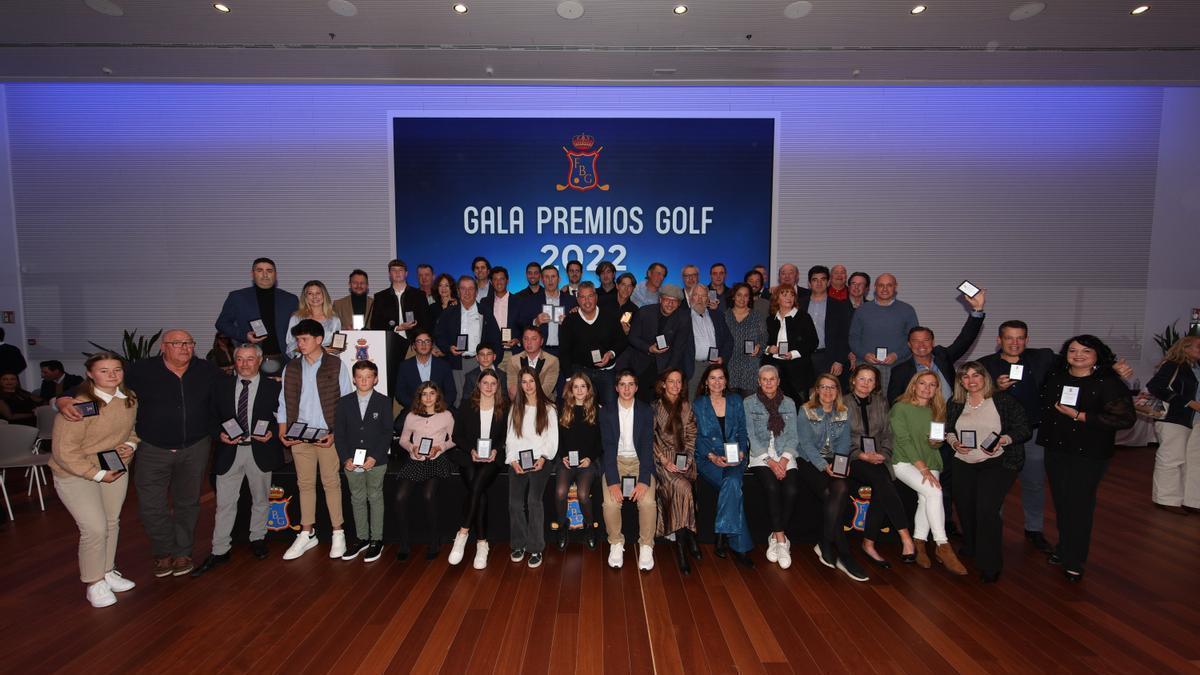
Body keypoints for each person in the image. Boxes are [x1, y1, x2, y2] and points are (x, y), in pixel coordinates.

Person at [57, 329, 222, 578]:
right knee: (151, 506)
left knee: (188, 503)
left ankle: (183, 552)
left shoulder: (207, 370)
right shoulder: (140, 370)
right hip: (152, 448)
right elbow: (99, 382)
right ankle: (162, 553)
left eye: (188, 343)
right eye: (176, 343)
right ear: (163, 347)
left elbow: (229, 390)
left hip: (195, 448)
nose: (184, 347)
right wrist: (64, 398)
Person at [1039, 335, 1136, 581]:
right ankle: (1063, 549)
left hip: (1089, 454)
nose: (1078, 355)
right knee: (1062, 503)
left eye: (1086, 351)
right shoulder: (1056, 377)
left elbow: (1125, 419)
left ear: (1097, 355)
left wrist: (1080, 416)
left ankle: (1075, 561)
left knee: (1080, 507)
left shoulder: (1108, 382)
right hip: (1056, 450)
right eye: (1073, 350)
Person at [49, 352, 138, 608]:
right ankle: (94, 581)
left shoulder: (129, 399)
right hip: (75, 472)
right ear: (90, 374)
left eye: (117, 370)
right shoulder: (79, 406)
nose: (112, 375)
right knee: (95, 528)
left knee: (111, 522)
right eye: (104, 370)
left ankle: (108, 570)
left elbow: (131, 431)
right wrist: (97, 474)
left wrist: (130, 445)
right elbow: (64, 452)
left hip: (113, 467)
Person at [192, 344, 284, 577]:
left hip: (259, 451)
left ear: (259, 360)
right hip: (229, 451)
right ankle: (220, 549)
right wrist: (218, 434)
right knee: (224, 503)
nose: (244, 364)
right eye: (240, 359)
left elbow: (283, 416)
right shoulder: (220, 386)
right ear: (235, 361)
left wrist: (272, 431)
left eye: (250, 359)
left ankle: (258, 538)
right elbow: (209, 417)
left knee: (261, 499)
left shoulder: (273, 388)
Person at [978, 320, 1061, 551]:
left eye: (1020, 338)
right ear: (999, 340)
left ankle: (1034, 529)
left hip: (1033, 432)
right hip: (999, 434)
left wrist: (1108, 369)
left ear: (1027, 339)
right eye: (1009, 338)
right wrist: (994, 388)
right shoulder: (985, 365)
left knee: (1034, 483)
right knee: (997, 484)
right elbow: (970, 395)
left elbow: (1078, 362)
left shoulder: (1042, 358)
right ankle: (994, 530)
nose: (1015, 343)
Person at [945, 361, 1030, 582]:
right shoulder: (955, 402)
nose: (971, 380)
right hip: (963, 461)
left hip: (997, 462)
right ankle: (972, 545)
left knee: (986, 509)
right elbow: (948, 430)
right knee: (965, 507)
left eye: (976, 375)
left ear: (985, 377)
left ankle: (990, 563)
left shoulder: (1002, 400)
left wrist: (1004, 439)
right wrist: (955, 444)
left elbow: (1023, 428)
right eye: (965, 377)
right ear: (960, 381)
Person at [277, 319, 354, 562]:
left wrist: (336, 433)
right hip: (299, 434)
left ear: (319, 340)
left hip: (326, 435)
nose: (300, 344)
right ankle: (306, 533)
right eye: (298, 339)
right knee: (305, 484)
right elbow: (282, 401)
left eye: (304, 339)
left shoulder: (335, 365)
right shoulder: (291, 367)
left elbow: (346, 402)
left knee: (331, 483)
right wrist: (282, 430)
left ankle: (338, 532)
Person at [889, 371, 967, 575]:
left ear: (936, 390)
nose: (926, 388)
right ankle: (943, 545)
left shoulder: (937, 410)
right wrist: (923, 469)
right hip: (905, 462)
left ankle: (920, 543)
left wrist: (936, 442)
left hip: (930, 460)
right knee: (935, 492)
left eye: (932, 385)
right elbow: (903, 442)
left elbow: (936, 442)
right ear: (914, 385)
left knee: (926, 499)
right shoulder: (900, 408)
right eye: (922, 383)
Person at [796, 374, 870, 582]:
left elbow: (844, 444)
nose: (828, 392)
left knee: (840, 489)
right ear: (817, 390)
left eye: (832, 387)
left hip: (833, 460)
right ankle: (843, 553)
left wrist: (841, 464)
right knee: (831, 492)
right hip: (809, 461)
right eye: (823, 387)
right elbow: (806, 445)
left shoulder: (842, 412)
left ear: (838, 391)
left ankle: (826, 542)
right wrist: (823, 467)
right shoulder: (805, 410)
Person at [843, 364, 916, 568]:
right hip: (854, 457)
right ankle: (906, 537)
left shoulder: (881, 402)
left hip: (880, 457)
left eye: (871, 380)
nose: (866, 383)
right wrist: (862, 455)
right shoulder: (843, 402)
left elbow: (887, 434)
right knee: (881, 480)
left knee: (881, 484)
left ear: (876, 383)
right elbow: (840, 438)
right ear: (853, 380)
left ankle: (869, 543)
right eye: (862, 379)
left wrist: (883, 454)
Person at [692, 364, 754, 567]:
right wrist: (711, 457)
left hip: (735, 456)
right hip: (708, 459)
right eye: (712, 378)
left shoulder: (736, 400)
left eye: (721, 378)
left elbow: (743, 430)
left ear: (726, 381)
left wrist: (743, 449)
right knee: (733, 486)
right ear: (706, 382)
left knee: (732, 481)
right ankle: (740, 547)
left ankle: (721, 533)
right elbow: (697, 438)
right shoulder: (699, 404)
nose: (717, 382)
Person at [333, 361, 391, 564]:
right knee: (356, 497)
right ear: (354, 379)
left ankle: (377, 539)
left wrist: (374, 456)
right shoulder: (344, 402)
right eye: (360, 376)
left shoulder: (383, 402)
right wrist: (345, 458)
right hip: (351, 461)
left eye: (368, 377)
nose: (364, 380)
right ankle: (362, 538)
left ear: (376, 379)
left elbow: (386, 433)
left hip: (376, 460)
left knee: (374, 496)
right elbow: (339, 434)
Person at [448, 370, 508, 569]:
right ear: (478, 385)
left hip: (492, 458)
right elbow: (457, 436)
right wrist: (471, 450)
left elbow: (505, 436)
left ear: (498, 386)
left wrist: (496, 450)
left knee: (476, 487)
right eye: (485, 383)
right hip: (469, 457)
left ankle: (462, 533)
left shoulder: (504, 407)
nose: (489, 387)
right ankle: (482, 544)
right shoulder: (466, 405)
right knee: (479, 492)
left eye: (493, 383)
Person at [886, 288, 987, 405]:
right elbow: (894, 402)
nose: (921, 345)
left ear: (932, 342)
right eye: (916, 341)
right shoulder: (900, 370)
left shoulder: (943, 357)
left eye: (926, 340)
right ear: (909, 344)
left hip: (950, 417)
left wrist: (977, 309)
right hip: (919, 420)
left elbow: (965, 339)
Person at [599, 369, 657, 571]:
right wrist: (613, 482)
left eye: (630, 384)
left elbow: (648, 447)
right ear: (616, 388)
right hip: (616, 462)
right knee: (610, 503)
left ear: (637, 387)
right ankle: (616, 542)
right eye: (622, 384)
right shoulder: (606, 412)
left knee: (648, 502)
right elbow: (607, 448)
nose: (626, 388)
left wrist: (643, 480)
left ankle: (646, 545)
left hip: (640, 462)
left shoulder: (645, 410)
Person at [744, 364, 801, 568]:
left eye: (772, 379)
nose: (768, 383)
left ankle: (775, 534)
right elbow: (750, 435)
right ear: (759, 382)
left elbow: (794, 436)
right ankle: (781, 541)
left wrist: (783, 460)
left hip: (785, 453)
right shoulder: (749, 403)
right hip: (761, 455)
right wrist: (770, 461)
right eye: (764, 379)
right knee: (771, 487)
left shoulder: (789, 403)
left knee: (792, 490)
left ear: (778, 381)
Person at [395, 381, 456, 560]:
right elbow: (403, 439)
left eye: (432, 393)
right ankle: (404, 542)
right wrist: (412, 447)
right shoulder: (411, 416)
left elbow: (454, 439)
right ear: (419, 397)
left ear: (437, 396)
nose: (428, 397)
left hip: (436, 460)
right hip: (415, 461)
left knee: (429, 495)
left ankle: (434, 540)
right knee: (400, 497)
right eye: (424, 394)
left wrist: (440, 448)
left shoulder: (446, 415)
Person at [506, 367, 559, 569]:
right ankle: (518, 544)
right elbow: (510, 439)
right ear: (520, 385)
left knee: (533, 500)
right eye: (524, 382)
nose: (528, 386)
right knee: (515, 503)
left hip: (540, 460)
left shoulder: (549, 408)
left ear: (537, 382)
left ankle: (536, 547)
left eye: (531, 381)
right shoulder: (515, 408)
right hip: (518, 461)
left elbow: (552, 439)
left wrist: (544, 458)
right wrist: (512, 461)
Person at [651, 369, 700, 574]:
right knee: (684, 489)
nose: (675, 385)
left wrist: (687, 460)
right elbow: (650, 439)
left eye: (679, 382)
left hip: (685, 461)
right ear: (663, 384)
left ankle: (688, 537)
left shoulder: (687, 407)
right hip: (663, 462)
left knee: (687, 485)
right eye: (671, 381)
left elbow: (691, 437)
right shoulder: (654, 408)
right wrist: (664, 460)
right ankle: (682, 546)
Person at [1147, 335, 1200, 514]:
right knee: (1171, 458)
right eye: (1198, 346)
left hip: (1193, 421)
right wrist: (1188, 403)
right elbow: (1155, 386)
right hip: (1174, 418)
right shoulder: (1173, 365)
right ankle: (1165, 499)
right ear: (1185, 348)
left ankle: (1191, 500)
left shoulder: (1195, 367)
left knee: (1193, 462)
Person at [215, 258, 300, 370]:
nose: (265, 274)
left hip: (285, 360)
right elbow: (221, 323)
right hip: (250, 361)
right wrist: (245, 335)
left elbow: (299, 329)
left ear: (276, 274)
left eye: (269, 271)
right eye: (260, 270)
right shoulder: (237, 297)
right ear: (252, 274)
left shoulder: (290, 299)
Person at [553, 373, 603, 550]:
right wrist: (562, 456)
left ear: (589, 389)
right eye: (576, 387)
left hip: (588, 463)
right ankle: (562, 525)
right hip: (567, 461)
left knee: (582, 494)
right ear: (570, 390)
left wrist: (590, 458)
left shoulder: (596, 410)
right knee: (560, 492)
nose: (580, 390)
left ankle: (589, 526)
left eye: (583, 386)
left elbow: (600, 442)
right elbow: (556, 439)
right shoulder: (563, 409)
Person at [435, 275, 501, 405]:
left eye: (471, 289)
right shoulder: (449, 312)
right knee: (458, 400)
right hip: (456, 363)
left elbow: (495, 338)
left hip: (479, 363)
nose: (467, 292)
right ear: (458, 291)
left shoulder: (485, 312)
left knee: (480, 399)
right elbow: (439, 335)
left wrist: (493, 362)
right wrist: (448, 348)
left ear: (476, 292)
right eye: (463, 289)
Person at [848, 273, 918, 393]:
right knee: (865, 406)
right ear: (875, 287)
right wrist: (864, 354)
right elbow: (853, 338)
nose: (885, 289)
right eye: (881, 285)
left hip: (897, 366)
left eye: (889, 285)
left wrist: (897, 355)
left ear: (895, 287)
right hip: (866, 367)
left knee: (893, 405)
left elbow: (914, 340)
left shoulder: (907, 310)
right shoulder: (862, 310)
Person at [560, 282, 627, 407]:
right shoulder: (570, 320)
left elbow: (622, 341)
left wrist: (611, 354)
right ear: (577, 299)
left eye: (590, 296)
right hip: (580, 372)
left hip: (606, 372)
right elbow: (564, 351)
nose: (587, 301)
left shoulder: (609, 317)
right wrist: (569, 378)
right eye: (583, 297)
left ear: (596, 297)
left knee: (611, 407)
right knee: (579, 409)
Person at [624, 284, 692, 401]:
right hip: (640, 364)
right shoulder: (644, 312)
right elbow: (632, 337)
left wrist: (668, 374)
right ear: (660, 299)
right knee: (639, 401)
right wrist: (649, 348)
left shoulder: (683, 318)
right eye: (667, 300)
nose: (670, 304)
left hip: (665, 366)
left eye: (674, 301)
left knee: (661, 403)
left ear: (679, 304)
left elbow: (679, 349)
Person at [369, 259, 428, 391]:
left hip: (413, 344)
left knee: (416, 383)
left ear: (406, 273)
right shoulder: (380, 296)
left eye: (400, 270)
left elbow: (426, 321)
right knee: (393, 382)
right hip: (391, 344)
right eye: (394, 271)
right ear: (389, 274)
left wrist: (421, 340)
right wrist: (397, 327)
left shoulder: (419, 295)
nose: (397, 273)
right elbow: (375, 324)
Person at [763, 284, 819, 403]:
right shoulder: (770, 319)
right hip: (775, 369)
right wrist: (768, 348)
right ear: (777, 298)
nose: (789, 298)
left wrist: (793, 353)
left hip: (798, 370)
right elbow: (763, 342)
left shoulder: (803, 317)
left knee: (799, 405)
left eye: (792, 294)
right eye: (784, 294)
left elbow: (813, 342)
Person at [797, 266, 852, 381]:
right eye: (815, 280)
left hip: (828, 358)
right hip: (803, 357)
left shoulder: (839, 306)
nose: (819, 283)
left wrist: (839, 360)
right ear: (809, 283)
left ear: (828, 282)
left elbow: (844, 335)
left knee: (827, 394)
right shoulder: (799, 305)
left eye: (822, 279)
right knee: (804, 395)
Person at [685, 283, 734, 399]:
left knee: (715, 399)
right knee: (692, 401)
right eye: (696, 295)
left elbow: (729, 340)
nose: (700, 299)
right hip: (693, 367)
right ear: (691, 298)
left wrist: (723, 357)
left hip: (714, 366)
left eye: (703, 296)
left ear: (708, 298)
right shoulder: (682, 316)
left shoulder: (717, 316)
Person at [517, 265, 577, 357]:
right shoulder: (530, 300)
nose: (550, 280)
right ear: (542, 280)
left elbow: (579, 328)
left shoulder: (571, 301)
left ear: (559, 279)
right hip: (540, 351)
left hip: (565, 352)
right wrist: (535, 322)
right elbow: (521, 324)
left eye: (553, 276)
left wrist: (568, 323)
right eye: (546, 277)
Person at [394, 330, 456, 411]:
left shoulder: (444, 365)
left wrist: (438, 407)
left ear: (432, 345)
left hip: (440, 409)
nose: (423, 344)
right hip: (413, 409)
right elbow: (400, 394)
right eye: (419, 341)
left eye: (427, 341)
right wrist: (417, 407)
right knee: (399, 423)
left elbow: (451, 393)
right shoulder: (405, 366)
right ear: (414, 346)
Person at [723, 283, 766, 396]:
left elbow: (764, 336)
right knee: (731, 405)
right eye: (739, 295)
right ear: (733, 297)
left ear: (750, 298)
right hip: (729, 366)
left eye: (746, 295)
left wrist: (759, 346)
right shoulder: (725, 316)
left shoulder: (757, 316)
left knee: (749, 406)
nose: (742, 298)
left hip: (750, 367)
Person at [285, 280, 343, 357]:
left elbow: (337, 347)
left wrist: (339, 348)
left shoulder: (334, 320)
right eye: (310, 293)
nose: (314, 297)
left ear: (324, 296)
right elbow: (290, 346)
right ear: (305, 297)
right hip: (303, 363)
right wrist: (317, 350)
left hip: (328, 364)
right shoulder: (296, 318)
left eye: (318, 293)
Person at [504, 326, 559, 402]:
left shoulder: (552, 361)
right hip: (520, 404)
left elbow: (547, 389)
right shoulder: (513, 360)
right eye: (526, 339)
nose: (529, 342)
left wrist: (531, 405)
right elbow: (512, 389)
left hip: (544, 404)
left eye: (534, 339)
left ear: (541, 341)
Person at [478, 266, 520, 359]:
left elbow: (525, 325)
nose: (499, 282)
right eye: (495, 279)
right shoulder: (485, 302)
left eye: (502, 279)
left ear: (507, 280)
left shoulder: (518, 301)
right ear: (491, 282)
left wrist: (518, 340)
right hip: (491, 354)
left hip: (513, 353)